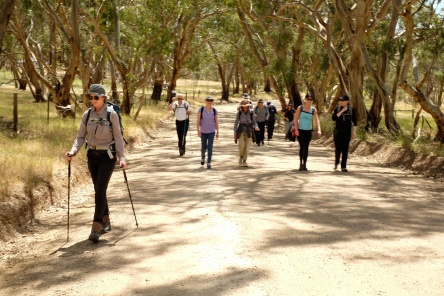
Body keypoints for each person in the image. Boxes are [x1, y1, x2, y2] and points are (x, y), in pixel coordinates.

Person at [66, 84, 127, 243]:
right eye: (90, 97)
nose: (93, 100)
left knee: (100, 189)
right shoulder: (87, 115)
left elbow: (119, 137)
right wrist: (73, 151)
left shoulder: (112, 115)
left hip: (107, 156)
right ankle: (106, 220)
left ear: (103, 98)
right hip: (92, 156)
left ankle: (96, 226)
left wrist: (122, 157)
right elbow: (80, 137)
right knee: (99, 189)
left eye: (96, 97)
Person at [294, 93, 322, 171]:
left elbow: (317, 120)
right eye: (308, 99)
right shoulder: (300, 108)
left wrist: (319, 129)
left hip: (308, 131)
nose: (309, 101)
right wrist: (296, 129)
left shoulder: (313, 110)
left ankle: (304, 164)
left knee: (306, 147)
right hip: (300, 130)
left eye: (311, 100)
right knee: (302, 146)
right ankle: (300, 163)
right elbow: (295, 119)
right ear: (305, 100)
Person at [332, 95, 357, 172]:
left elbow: (355, 122)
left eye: (343, 100)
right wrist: (341, 111)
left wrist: (354, 132)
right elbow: (333, 118)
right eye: (340, 100)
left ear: (347, 101)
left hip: (347, 132)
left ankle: (344, 166)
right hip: (338, 132)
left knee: (345, 149)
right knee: (338, 149)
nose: (341, 102)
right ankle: (336, 163)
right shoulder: (337, 108)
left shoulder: (351, 110)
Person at [234, 100, 259, 167]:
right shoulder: (239, 113)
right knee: (241, 145)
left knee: (247, 146)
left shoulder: (251, 113)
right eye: (244, 106)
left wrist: (256, 127)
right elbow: (236, 123)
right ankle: (241, 157)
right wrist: (235, 132)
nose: (246, 107)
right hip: (241, 130)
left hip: (249, 130)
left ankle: (244, 160)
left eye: (247, 106)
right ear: (242, 107)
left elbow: (254, 122)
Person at [197, 96, 219, 169]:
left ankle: (209, 162)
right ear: (205, 101)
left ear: (212, 102)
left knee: (210, 147)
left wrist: (217, 132)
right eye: (208, 100)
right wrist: (198, 130)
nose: (209, 102)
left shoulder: (214, 111)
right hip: (203, 131)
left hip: (211, 131)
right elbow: (198, 121)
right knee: (203, 147)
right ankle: (203, 157)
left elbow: (216, 122)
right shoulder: (201, 109)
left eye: (211, 100)